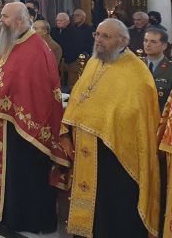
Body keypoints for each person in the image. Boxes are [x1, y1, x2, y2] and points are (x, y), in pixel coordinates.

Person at [61, 18, 160, 238]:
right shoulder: (96, 62)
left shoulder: (137, 73)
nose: (99, 40)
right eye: (97, 34)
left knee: (114, 208)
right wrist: (66, 130)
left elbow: (137, 119)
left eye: (106, 36)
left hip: (118, 156)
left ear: (123, 40)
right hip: (88, 149)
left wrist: (105, 124)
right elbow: (78, 98)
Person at [0, 3, 70, 233]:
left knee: (27, 173)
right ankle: (7, 213)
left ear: (19, 20)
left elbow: (39, 90)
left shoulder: (36, 47)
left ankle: (28, 219)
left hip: (28, 129)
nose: (1, 21)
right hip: (7, 122)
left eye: (5, 17)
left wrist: (12, 107)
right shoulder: (10, 42)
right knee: (11, 173)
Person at [144, 26, 172, 111]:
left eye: (153, 42)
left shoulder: (170, 69)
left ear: (164, 46)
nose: (148, 44)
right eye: (145, 40)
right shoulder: (136, 65)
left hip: (161, 118)